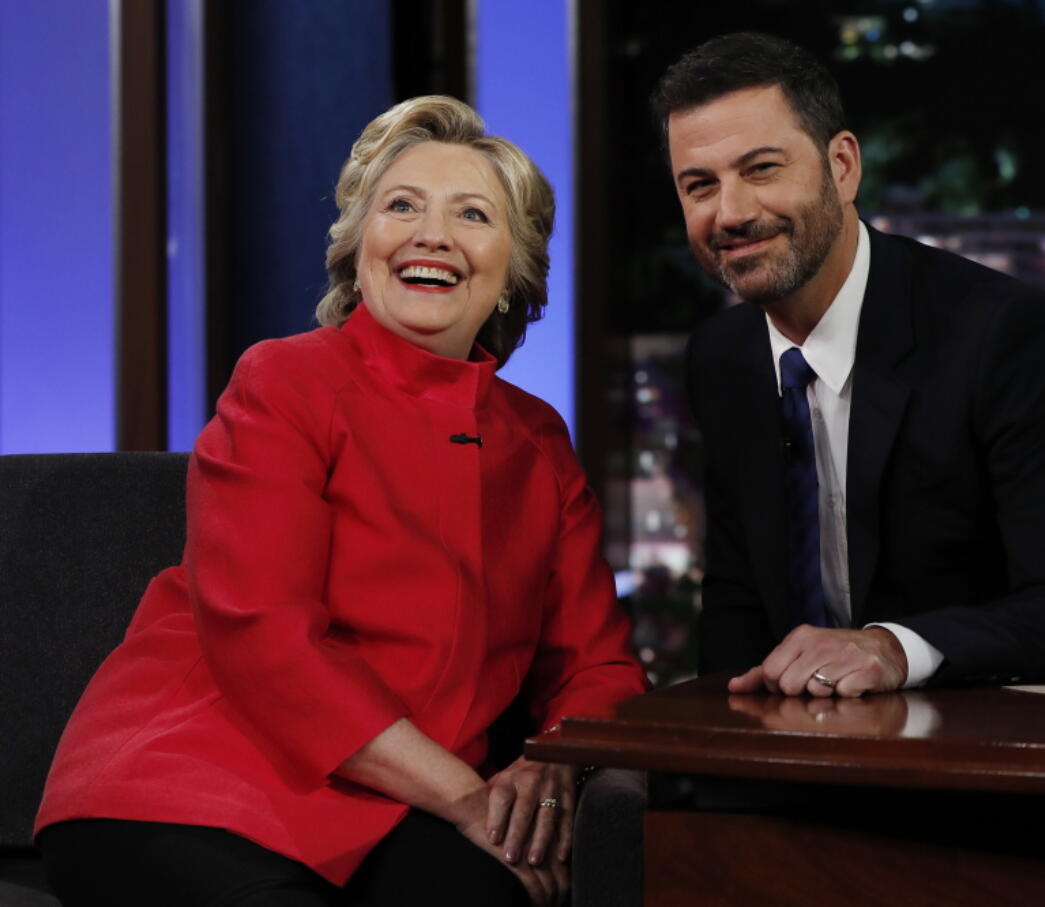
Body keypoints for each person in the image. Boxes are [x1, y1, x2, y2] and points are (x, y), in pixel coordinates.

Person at [36, 95, 648, 907]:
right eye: (401, 206)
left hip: (402, 807)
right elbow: (266, 637)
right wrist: (472, 798)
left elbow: (597, 664)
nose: (432, 234)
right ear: (360, 250)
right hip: (196, 778)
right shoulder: (284, 380)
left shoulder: (538, 443)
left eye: (472, 214)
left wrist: (555, 765)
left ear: (513, 272)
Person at [652, 33, 1045, 699]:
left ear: (843, 166)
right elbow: (738, 601)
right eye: (700, 185)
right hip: (834, 741)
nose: (730, 212)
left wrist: (893, 648)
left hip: (1026, 728)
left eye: (761, 169)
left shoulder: (1004, 333)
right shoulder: (722, 356)